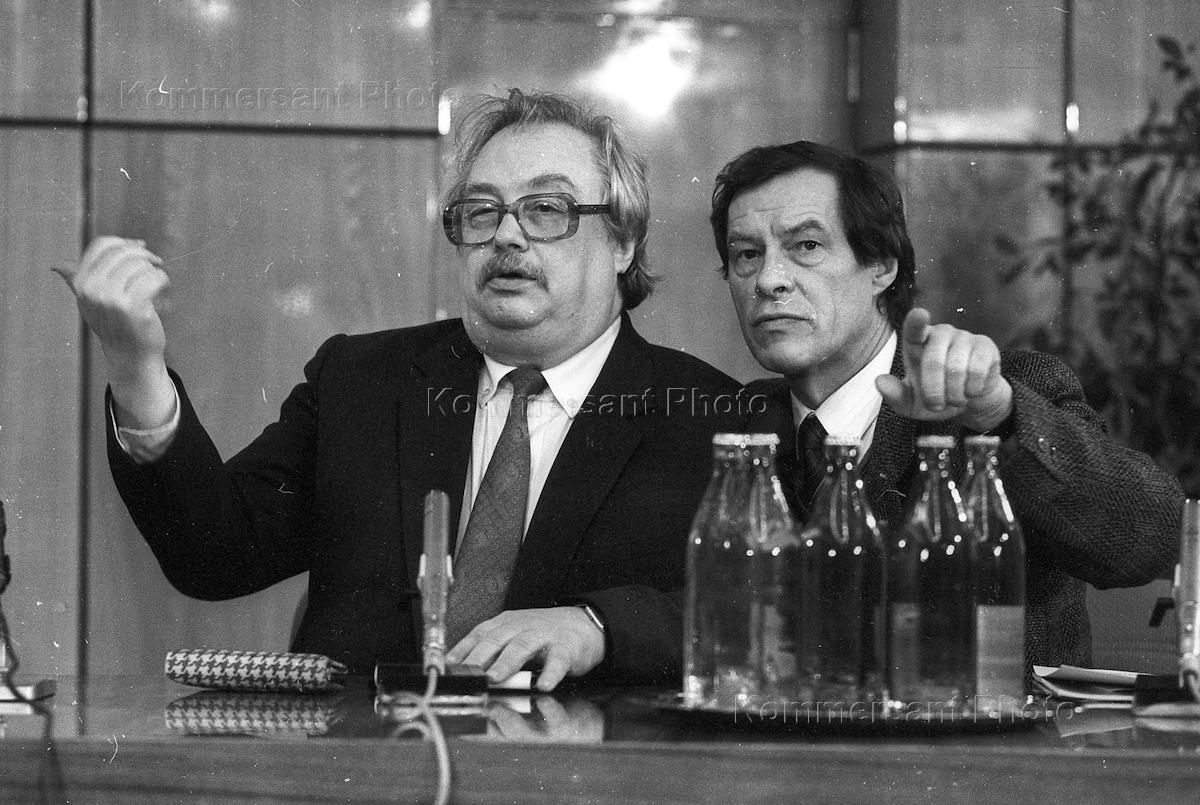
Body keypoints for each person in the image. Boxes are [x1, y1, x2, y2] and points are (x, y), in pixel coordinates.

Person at [55, 89, 742, 690]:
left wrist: (599, 625)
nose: (506, 235)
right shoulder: (363, 382)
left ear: (623, 241)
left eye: (546, 208)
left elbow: (759, 611)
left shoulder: (709, 417)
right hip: (367, 765)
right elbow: (214, 555)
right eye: (481, 211)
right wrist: (135, 364)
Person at [710, 139, 1183, 670]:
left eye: (806, 245)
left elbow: (1154, 537)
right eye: (747, 254)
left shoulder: (1006, 396)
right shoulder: (737, 423)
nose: (769, 279)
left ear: (881, 267)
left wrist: (1000, 416)